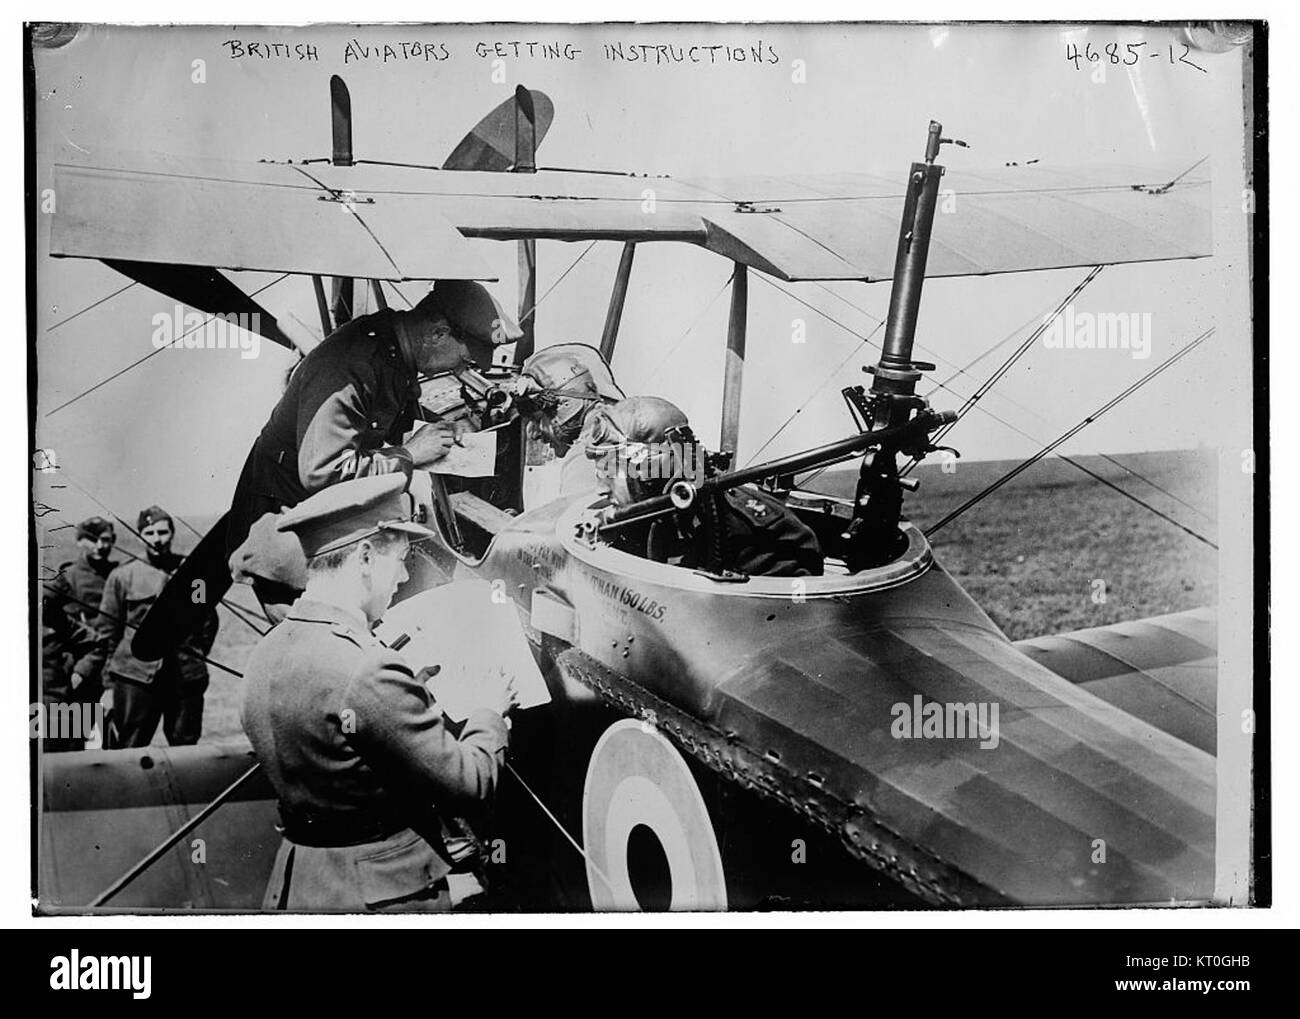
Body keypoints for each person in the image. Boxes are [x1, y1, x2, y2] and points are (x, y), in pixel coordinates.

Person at [240, 474, 516, 912]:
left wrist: (404, 700)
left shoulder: (265, 653)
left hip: (301, 884)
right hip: (383, 895)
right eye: (401, 558)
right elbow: (470, 786)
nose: (404, 575)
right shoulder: (367, 667)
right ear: (366, 557)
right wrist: (489, 710)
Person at [227, 279, 523, 618]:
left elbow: (390, 415)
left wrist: (448, 431)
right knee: (332, 642)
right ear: (438, 333)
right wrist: (410, 454)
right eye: (463, 361)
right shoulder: (351, 363)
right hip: (290, 540)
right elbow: (323, 471)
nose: (459, 372)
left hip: (331, 523)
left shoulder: (392, 348)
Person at [584, 396, 824, 578]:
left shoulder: (751, 529)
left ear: (648, 470)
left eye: (609, 473)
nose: (601, 490)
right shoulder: (650, 512)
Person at [91, 507, 218, 748]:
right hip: (135, 678)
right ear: (140, 536)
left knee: (186, 746)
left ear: (172, 533)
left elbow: (207, 620)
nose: (157, 539)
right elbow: (107, 633)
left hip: (184, 677)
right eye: (149, 533)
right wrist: (108, 685)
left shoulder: (194, 574)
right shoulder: (122, 576)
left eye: (162, 531)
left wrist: (196, 655)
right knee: (129, 746)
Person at [40, 516, 119, 751]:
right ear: (80, 542)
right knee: (75, 738)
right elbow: (43, 605)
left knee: (107, 740)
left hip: (112, 668)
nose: (99, 546)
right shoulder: (67, 576)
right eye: (91, 540)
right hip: (82, 671)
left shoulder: (119, 575)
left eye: (105, 540)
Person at [515, 343, 624, 495]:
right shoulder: (625, 428)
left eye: (537, 419)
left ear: (565, 405)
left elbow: (579, 517)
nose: (534, 434)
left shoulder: (587, 455)